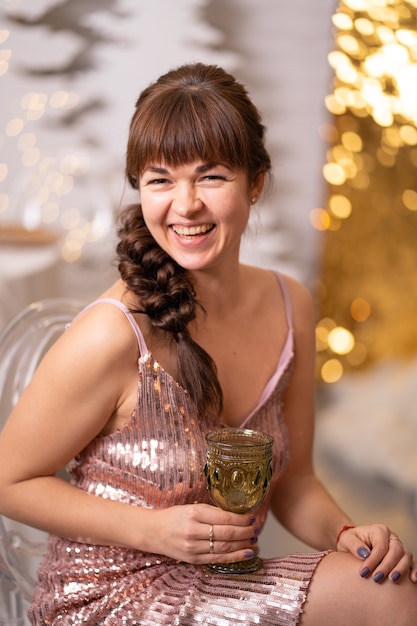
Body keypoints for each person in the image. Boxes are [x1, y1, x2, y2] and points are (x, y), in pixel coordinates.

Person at [0, 63, 416, 626]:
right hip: (113, 597)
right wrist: (152, 530)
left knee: (390, 584)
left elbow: (294, 482)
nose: (186, 205)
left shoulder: (292, 304)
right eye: (160, 179)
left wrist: (348, 534)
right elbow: (9, 480)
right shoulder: (115, 331)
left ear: (256, 182)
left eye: (211, 176)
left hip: (226, 585)